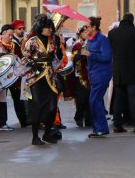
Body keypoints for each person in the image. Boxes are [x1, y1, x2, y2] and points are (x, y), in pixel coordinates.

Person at [22, 15, 64, 145]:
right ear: (40, 28)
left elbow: (59, 58)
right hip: (36, 77)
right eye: (47, 27)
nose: (49, 30)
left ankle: (47, 134)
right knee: (38, 107)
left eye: (50, 27)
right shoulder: (32, 41)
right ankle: (35, 137)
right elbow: (25, 59)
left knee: (52, 107)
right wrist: (34, 63)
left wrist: (59, 45)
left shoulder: (53, 41)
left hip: (50, 77)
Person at [108, 13, 135, 134]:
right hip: (133, 70)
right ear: (132, 20)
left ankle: (117, 125)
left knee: (118, 99)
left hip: (118, 70)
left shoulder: (112, 33)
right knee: (133, 98)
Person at [81, 17, 113, 138]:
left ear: (94, 27)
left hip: (101, 74)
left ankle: (101, 128)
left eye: (87, 26)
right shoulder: (90, 40)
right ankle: (98, 128)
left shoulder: (102, 39)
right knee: (95, 101)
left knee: (94, 101)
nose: (85, 29)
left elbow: (106, 57)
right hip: (94, 74)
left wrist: (90, 54)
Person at [71, 25, 91, 128]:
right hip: (80, 75)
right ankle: (78, 116)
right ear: (81, 33)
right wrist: (82, 55)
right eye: (85, 32)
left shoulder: (90, 43)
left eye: (88, 32)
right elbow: (74, 59)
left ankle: (89, 119)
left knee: (90, 98)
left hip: (90, 74)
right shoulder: (77, 45)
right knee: (81, 98)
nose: (88, 33)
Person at [10, 19, 28, 127]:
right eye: (19, 29)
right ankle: (23, 120)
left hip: (25, 72)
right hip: (17, 73)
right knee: (18, 98)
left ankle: (28, 117)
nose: (22, 30)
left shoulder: (25, 40)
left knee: (26, 96)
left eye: (23, 28)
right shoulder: (13, 42)